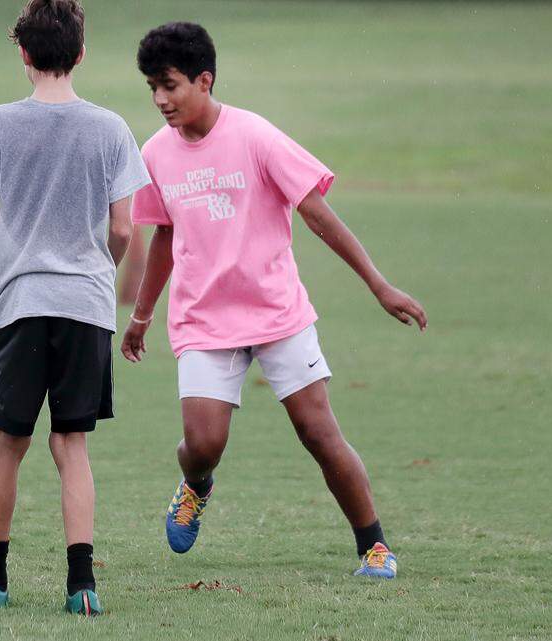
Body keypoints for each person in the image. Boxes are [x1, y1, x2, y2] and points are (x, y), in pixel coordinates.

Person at [122, 22, 427, 579]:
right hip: (202, 318)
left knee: (319, 433)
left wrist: (378, 284)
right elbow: (163, 238)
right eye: (151, 88)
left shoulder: (256, 136)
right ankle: (195, 485)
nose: (161, 100)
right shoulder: (156, 154)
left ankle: (374, 546)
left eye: (169, 85)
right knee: (203, 443)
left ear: (204, 80)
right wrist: (141, 316)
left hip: (275, 311)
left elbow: (316, 213)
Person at [0, 0, 150, 614]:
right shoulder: (112, 128)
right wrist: (95, 270)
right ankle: (82, 585)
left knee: (9, 441)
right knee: (72, 446)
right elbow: (123, 231)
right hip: (86, 305)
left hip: (18, 302)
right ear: (81, 54)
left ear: (24, 55)